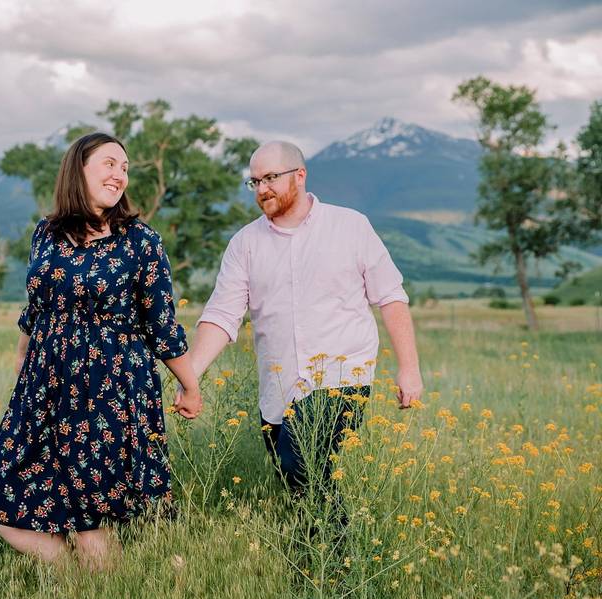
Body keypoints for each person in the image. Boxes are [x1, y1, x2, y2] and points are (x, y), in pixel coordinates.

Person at [0, 132, 202, 570]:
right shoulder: (46, 233)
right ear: (78, 168)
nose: (120, 174)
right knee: (0, 493)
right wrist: (22, 366)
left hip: (111, 388)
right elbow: (35, 309)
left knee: (87, 514)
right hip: (45, 387)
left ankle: (103, 598)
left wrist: (189, 385)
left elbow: (162, 324)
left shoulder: (140, 240)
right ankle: (75, 576)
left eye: (125, 168)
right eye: (109, 163)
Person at [176, 141, 422, 490]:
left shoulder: (351, 226)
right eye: (255, 181)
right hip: (278, 389)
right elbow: (222, 315)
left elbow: (391, 296)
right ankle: (329, 545)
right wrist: (192, 376)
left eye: (271, 178)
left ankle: (335, 544)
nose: (262, 189)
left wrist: (409, 369)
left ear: (300, 175)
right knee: (299, 484)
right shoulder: (245, 243)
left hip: (340, 379)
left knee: (301, 463)